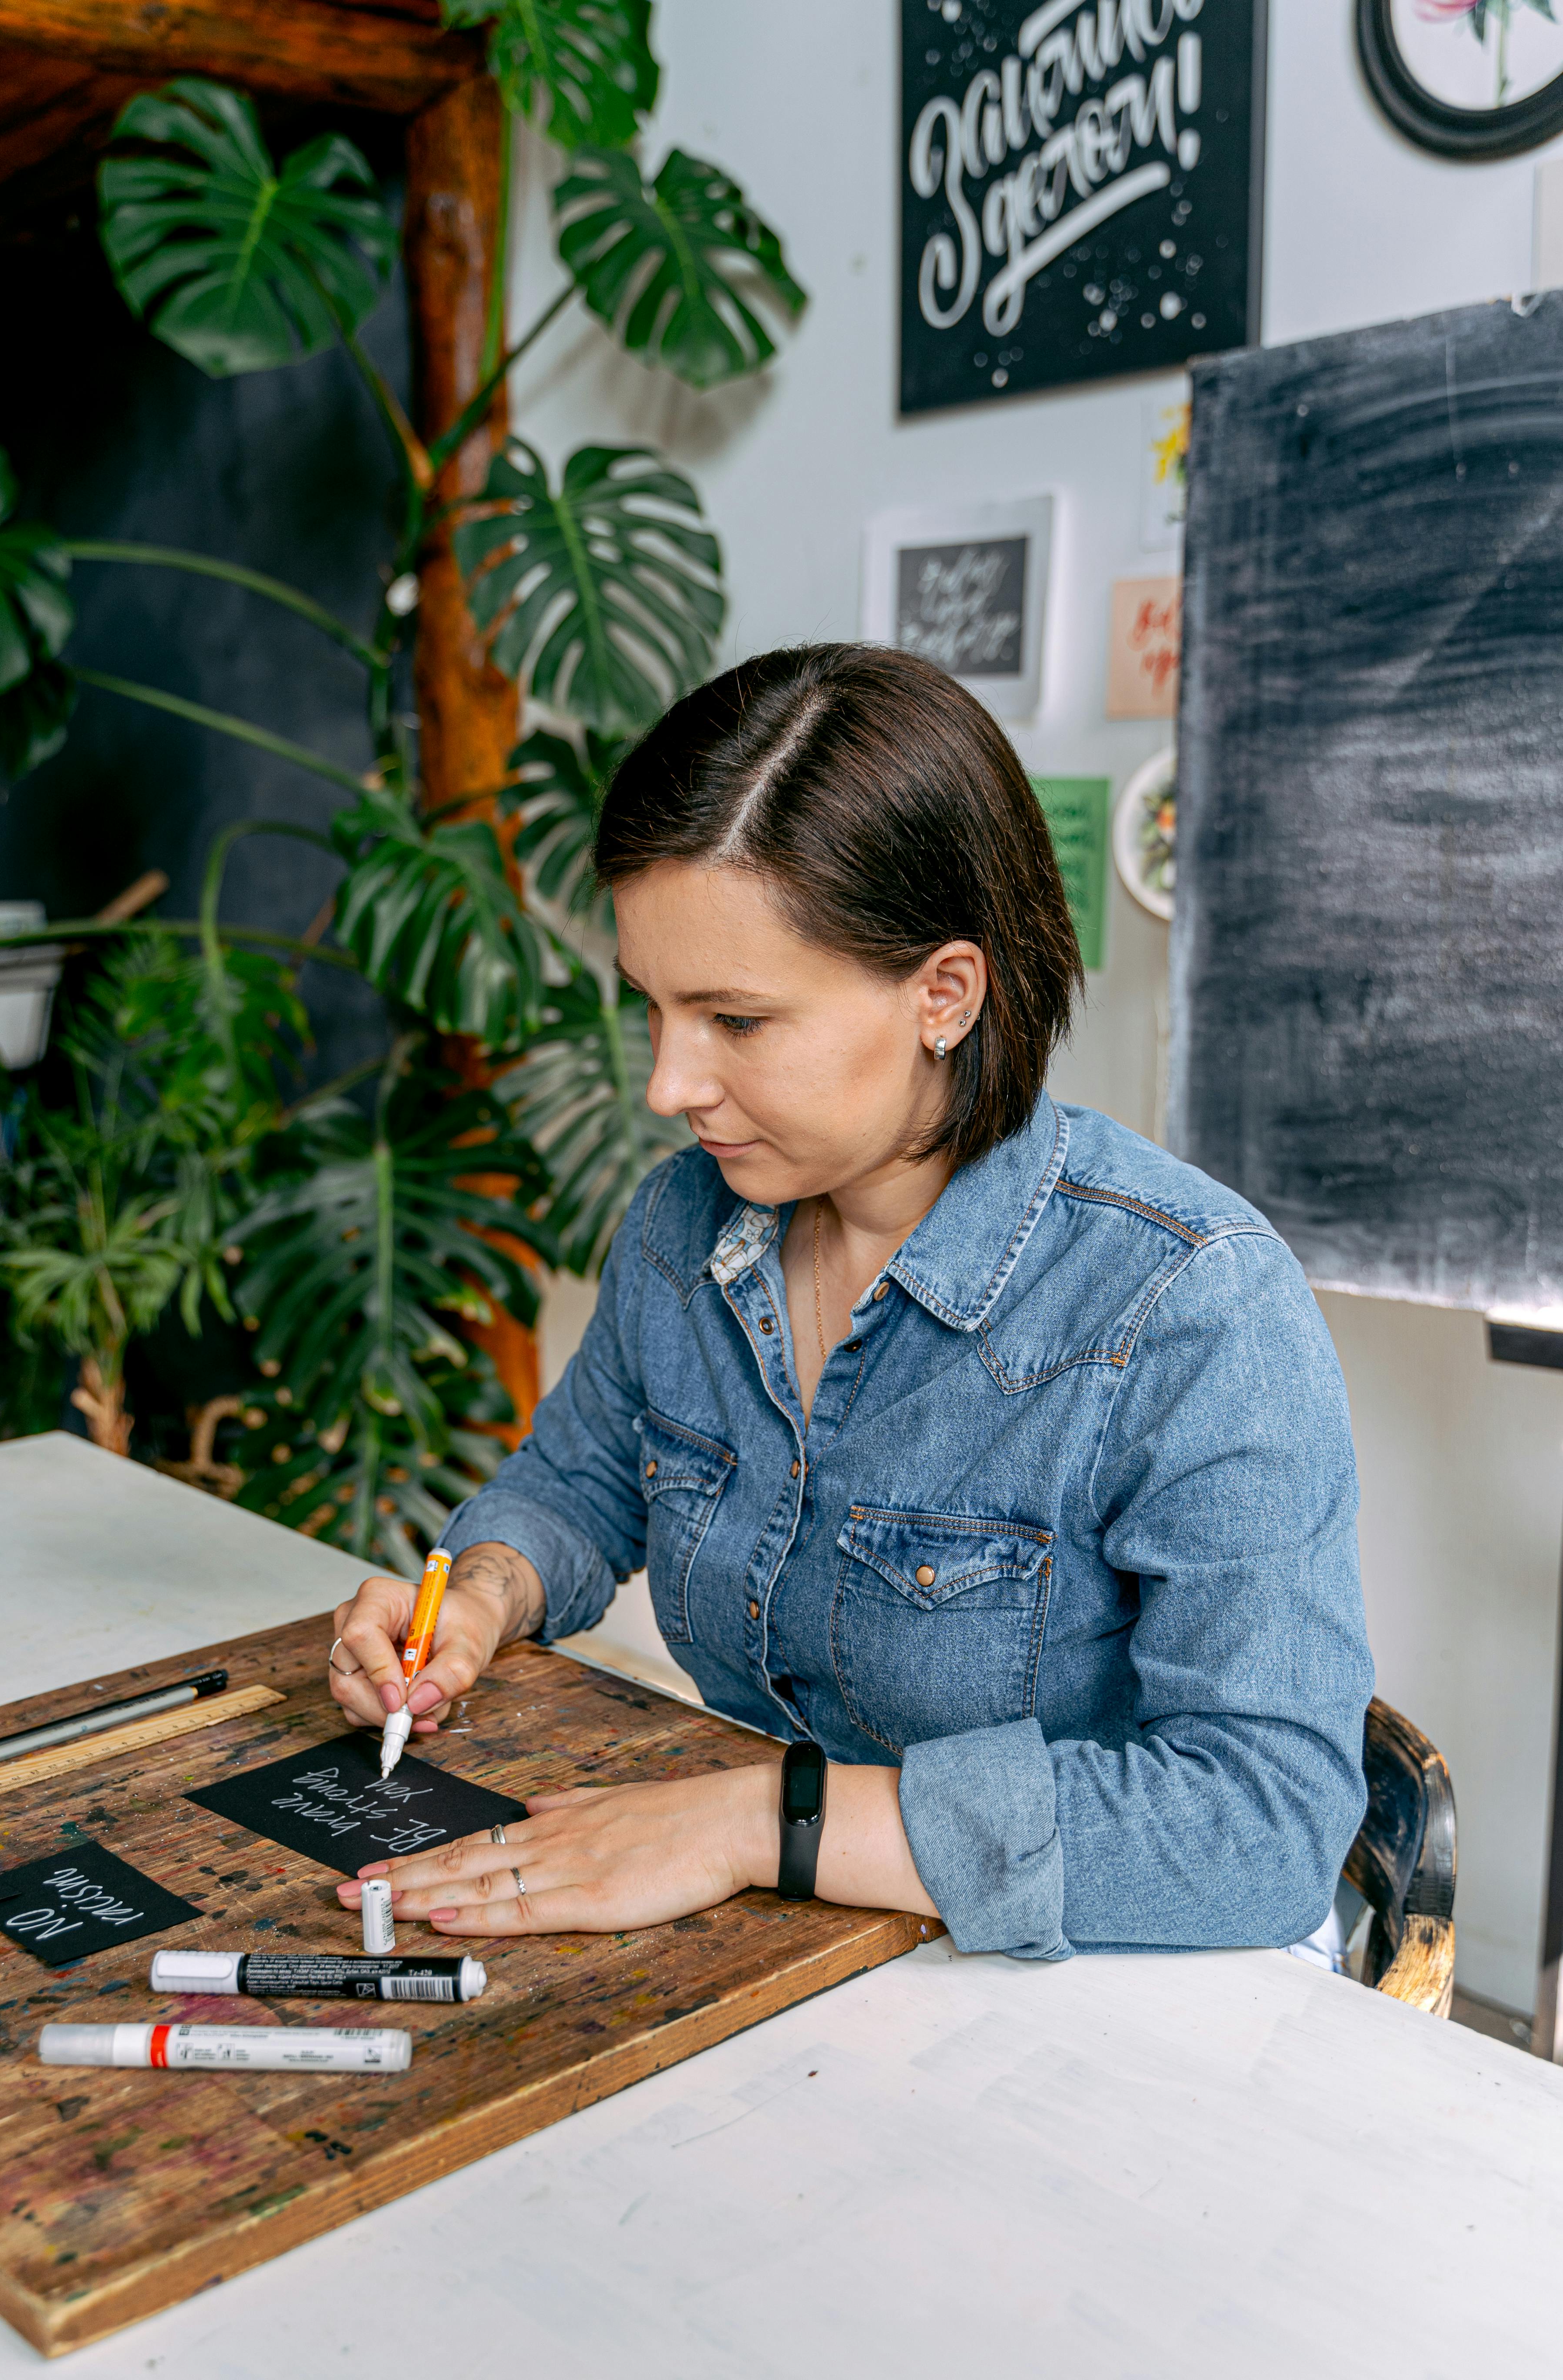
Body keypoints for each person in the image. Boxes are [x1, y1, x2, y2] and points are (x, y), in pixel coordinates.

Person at [327, 643, 1372, 1960]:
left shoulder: (1189, 1303)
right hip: (824, 1945)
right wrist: (474, 1602)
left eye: (737, 1021)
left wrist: (761, 1825)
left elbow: (1260, 1832)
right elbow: (583, 1481)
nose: (668, 1084)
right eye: (650, 1006)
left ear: (945, 994)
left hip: (1124, 1984)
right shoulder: (685, 1221)